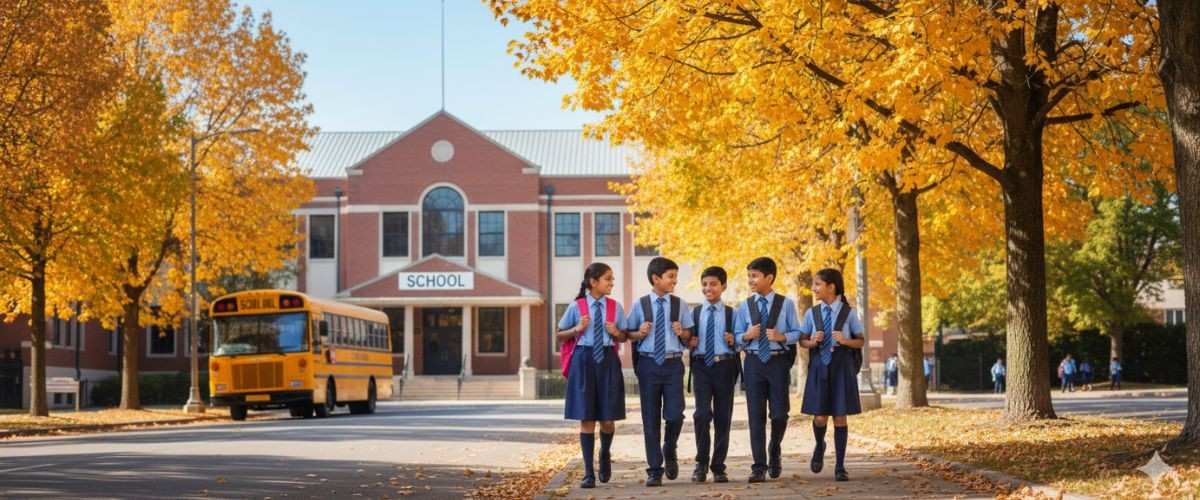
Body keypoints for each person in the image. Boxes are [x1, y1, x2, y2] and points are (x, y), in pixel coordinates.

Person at [623, 257, 693, 487]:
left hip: (673, 364)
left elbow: (689, 335)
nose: (675, 280)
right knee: (650, 418)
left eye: (675, 276)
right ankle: (654, 469)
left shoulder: (680, 304)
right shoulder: (640, 305)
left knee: (675, 414)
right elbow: (628, 334)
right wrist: (638, 333)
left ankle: (669, 447)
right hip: (648, 364)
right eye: (671, 276)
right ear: (656, 278)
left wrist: (682, 332)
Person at [557, 262, 627, 489]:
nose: (612, 283)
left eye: (612, 279)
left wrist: (617, 333)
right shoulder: (576, 307)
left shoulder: (615, 307)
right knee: (586, 417)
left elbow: (625, 336)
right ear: (593, 282)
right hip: (583, 360)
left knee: (607, 419)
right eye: (608, 279)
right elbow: (559, 335)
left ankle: (604, 453)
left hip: (608, 361)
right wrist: (577, 329)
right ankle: (588, 472)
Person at [734, 256, 802, 483]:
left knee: (780, 414)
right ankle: (758, 466)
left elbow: (797, 333)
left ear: (769, 278)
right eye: (749, 276)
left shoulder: (787, 304)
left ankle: (775, 448)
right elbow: (735, 339)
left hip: (778, 361)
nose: (750, 280)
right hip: (753, 362)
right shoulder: (744, 306)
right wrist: (746, 335)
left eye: (755, 276)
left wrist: (782, 336)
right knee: (756, 416)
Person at [799, 268, 865, 483]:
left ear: (831, 286)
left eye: (817, 284)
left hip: (841, 366)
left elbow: (860, 340)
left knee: (839, 416)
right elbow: (802, 340)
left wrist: (845, 341)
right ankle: (819, 445)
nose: (813, 288)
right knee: (819, 416)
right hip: (819, 366)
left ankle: (840, 466)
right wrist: (812, 341)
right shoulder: (812, 313)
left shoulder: (848, 313)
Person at [686, 266, 738, 483]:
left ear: (723, 286)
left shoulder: (732, 313)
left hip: (725, 366)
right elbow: (685, 339)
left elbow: (743, 339)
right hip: (701, 366)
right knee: (701, 415)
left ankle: (718, 466)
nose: (708, 288)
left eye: (713, 284)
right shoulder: (695, 313)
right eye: (705, 284)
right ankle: (701, 463)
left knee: (723, 417)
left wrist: (734, 340)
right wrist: (689, 342)